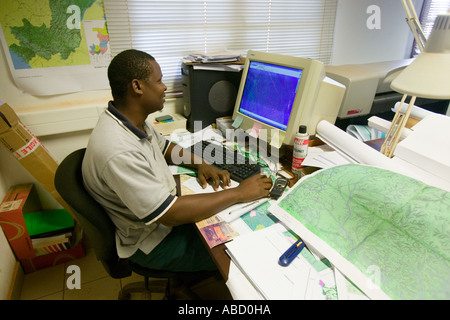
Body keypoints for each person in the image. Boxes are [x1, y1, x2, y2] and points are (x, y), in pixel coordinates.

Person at [82, 49, 272, 275]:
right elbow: (170, 215)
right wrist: (240, 192)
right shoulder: (118, 150)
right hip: (154, 243)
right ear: (137, 86)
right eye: (159, 80)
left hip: (158, 225)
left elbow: (165, 148)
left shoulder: (129, 120)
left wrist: (200, 163)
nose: (164, 87)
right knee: (246, 247)